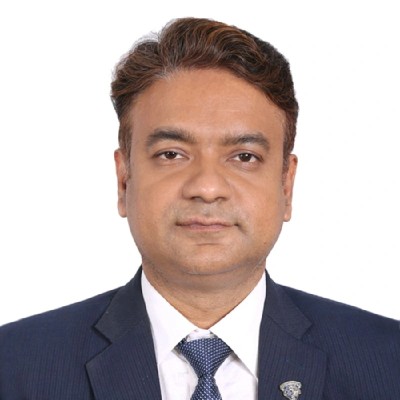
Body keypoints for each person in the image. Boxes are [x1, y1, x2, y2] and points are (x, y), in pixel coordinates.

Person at [0, 17, 399, 400]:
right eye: (171, 154)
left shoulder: (387, 361)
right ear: (124, 179)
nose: (207, 188)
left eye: (244, 157)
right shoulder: (15, 366)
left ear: (286, 185)